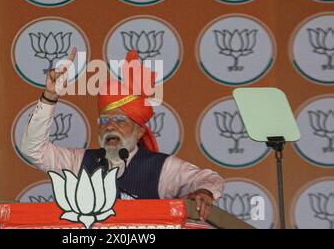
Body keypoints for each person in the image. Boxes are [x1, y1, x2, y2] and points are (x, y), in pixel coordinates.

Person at [20, 48, 224, 221]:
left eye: (119, 120)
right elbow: (34, 151)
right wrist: (49, 97)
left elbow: (208, 178)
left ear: (139, 131)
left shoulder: (161, 168)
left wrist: (203, 192)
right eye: (104, 120)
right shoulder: (79, 161)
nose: (110, 127)